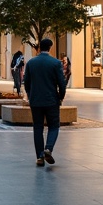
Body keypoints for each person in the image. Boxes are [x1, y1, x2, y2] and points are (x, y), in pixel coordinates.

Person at [23, 37, 67, 167]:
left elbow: (27, 82)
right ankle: (48, 148)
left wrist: (31, 95)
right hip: (51, 100)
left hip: (36, 100)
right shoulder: (55, 63)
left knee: (38, 127)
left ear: (39, 48)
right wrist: (60, 97)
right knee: (54, 126)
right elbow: (62, 83)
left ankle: (39, 157)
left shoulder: (31, 63)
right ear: (50, 48)